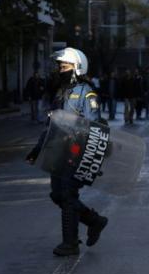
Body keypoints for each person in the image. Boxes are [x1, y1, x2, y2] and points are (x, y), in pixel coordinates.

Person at [25, 47, 108, 256]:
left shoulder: (86, 93)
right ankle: (94, 221)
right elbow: (51, 125)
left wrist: (85, 152)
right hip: (58, 151)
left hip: (76, 152)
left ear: (77, 68)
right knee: (57, 195)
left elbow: (95, 126)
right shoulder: (61, 93)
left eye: (64, 67)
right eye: (59, 67)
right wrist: (37, 150)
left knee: (69, 195)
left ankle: (70, 243)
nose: (60, 70)